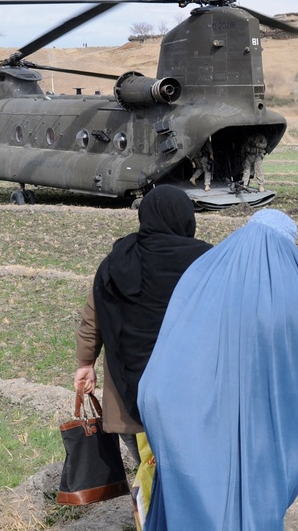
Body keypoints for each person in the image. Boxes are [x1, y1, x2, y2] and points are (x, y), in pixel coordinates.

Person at [138, 209, 298, 530]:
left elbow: (160, 379)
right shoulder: (293, 294)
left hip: (195, 429)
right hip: (258, 441)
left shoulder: (203, 276)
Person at [74, 186, 213, 463]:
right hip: (189, 397)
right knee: (185, 475)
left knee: (148, 474)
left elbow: (94, 316)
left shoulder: (118, 260)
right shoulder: (206, 262)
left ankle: (150, 507)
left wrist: (85, 364)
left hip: (128, 400)